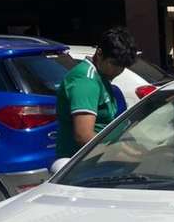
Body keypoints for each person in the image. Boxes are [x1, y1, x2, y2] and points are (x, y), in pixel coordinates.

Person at [55, 26, 137, 159]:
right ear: (99, 53)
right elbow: (83, 135)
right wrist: (118, 150)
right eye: (113, 64)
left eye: (122, 67)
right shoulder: (86, 81)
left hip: (100, 158)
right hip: (84, 164)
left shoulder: (101, 78)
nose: (117, 71)